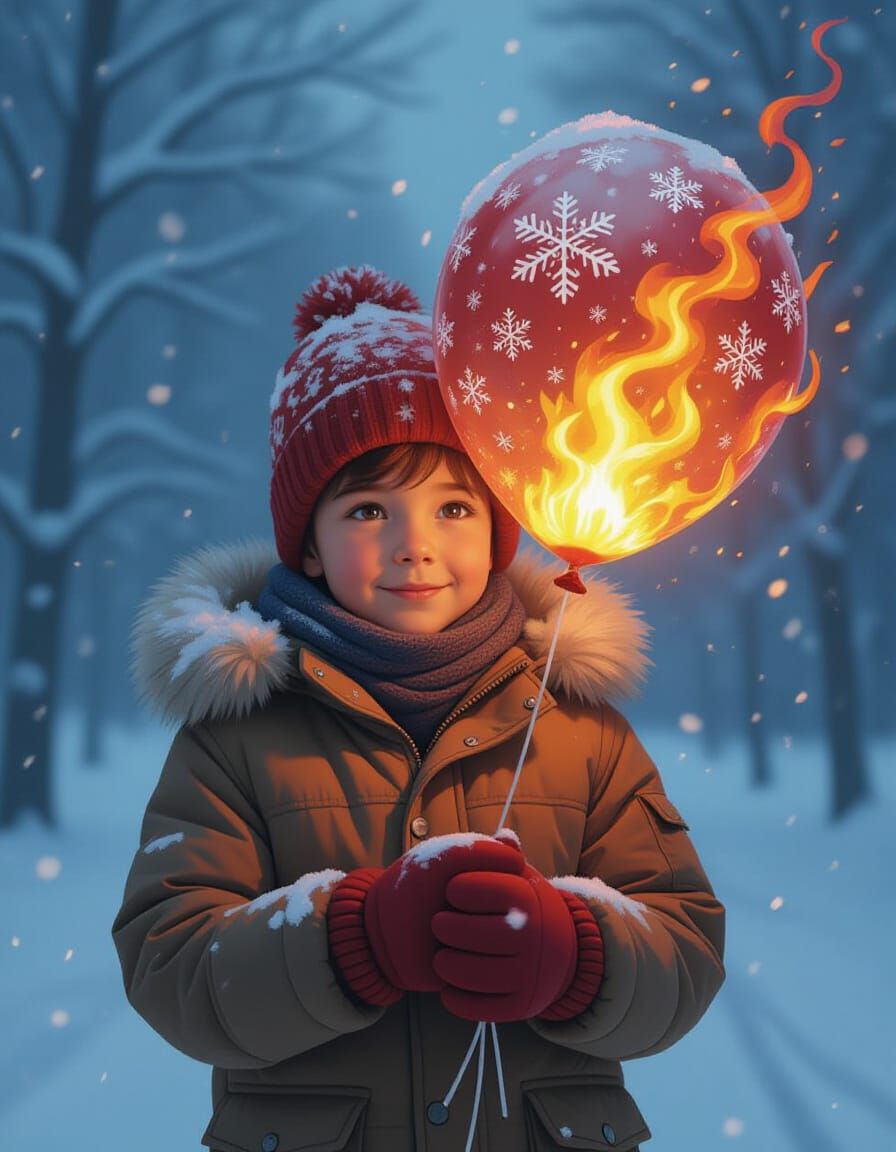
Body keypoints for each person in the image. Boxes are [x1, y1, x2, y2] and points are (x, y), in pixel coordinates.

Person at [112, 265, 725, 1152]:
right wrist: (354, 940)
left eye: (453, 506)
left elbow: (685, 946)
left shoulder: (580, 728)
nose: (416, 547)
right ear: (311, 547)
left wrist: (578, 956)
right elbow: (170, 963)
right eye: (368, 510)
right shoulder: (241, 736)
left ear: (497, 525)